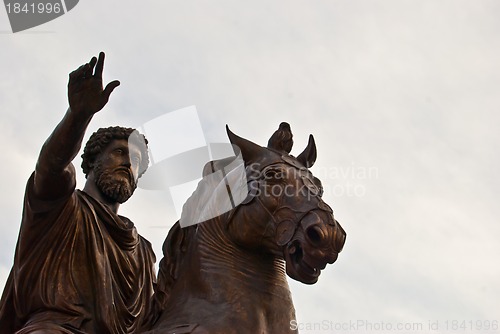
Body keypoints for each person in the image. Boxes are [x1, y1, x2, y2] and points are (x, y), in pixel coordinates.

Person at [0, 52, 157, 333]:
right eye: (119, 153)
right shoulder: (59, 206)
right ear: (92, 161)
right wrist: (78, 115)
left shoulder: (143, 251)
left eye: (135, 161)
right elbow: (51, 166)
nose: (127, 164)